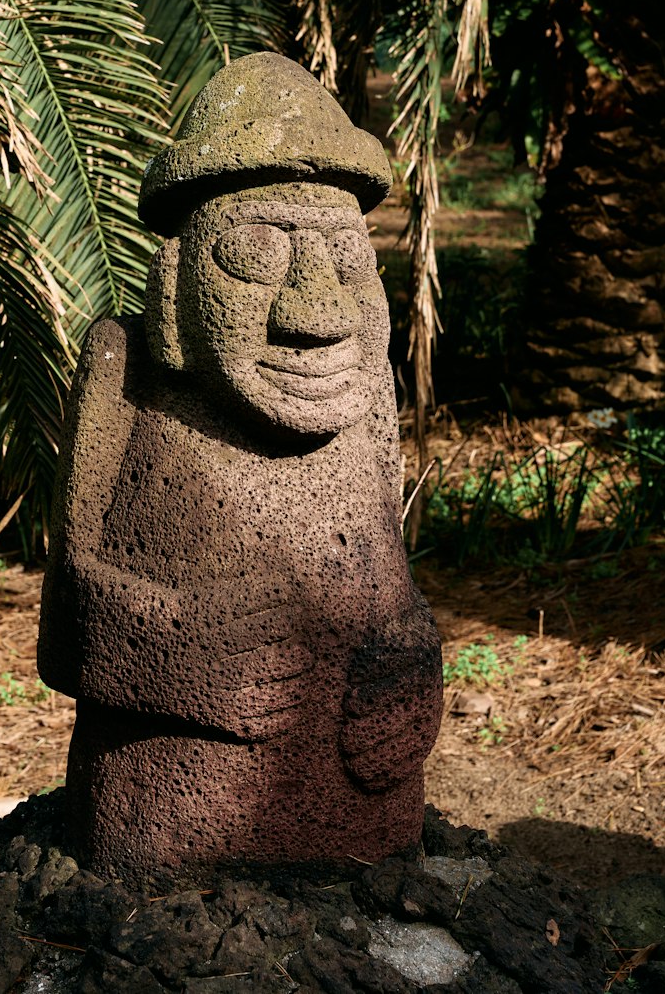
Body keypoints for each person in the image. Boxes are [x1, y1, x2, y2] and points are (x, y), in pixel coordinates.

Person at [38, 53, 442, 881]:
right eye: (253, 260)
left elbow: (393, 584)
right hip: (170, 844)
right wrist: (177, 650)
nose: (315, 313)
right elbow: (67, 620)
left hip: (370, 837)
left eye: (346, 256)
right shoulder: (124, 374)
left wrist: (414, 664)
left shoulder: (368, 401)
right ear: (176, 285)